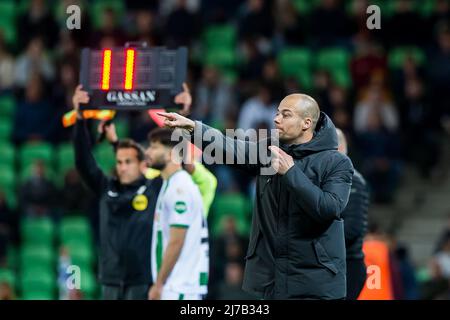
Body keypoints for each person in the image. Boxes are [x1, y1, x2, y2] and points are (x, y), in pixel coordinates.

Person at [159, 91, 354, 300]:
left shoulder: (336, 162)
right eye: (278, 113)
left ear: (306, 123)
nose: (276, 119)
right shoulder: (270, 151)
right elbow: (230, 147)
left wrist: (291, 173)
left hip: (316, 284)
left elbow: (329, 208)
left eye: (285, 115)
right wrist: (194, 128)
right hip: (274, 281)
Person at [73, 85, 162, 300]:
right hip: (111, 280)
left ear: (143, 165)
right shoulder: (107, 187)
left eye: (128, 162)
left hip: (142, 281)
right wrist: (79, 118)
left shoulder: (155, 189)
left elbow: (178, 158)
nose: (122, 166)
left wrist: (183, 115)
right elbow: (83, 162)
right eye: (119, 162)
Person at [146, 128, 209, 300]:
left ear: (171, 154)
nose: (148, 152)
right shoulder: (171, 183)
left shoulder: (179, 189)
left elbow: (176, 241)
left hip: (179, 288)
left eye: (154, 147)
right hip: (177, 286)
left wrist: (158, 284)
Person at [336, 128, 369, 300]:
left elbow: (352, 228)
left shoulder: (352, 179)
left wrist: (318, 241)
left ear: (339, 148)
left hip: (349, 264)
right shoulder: (335, 179)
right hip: (337, 263)